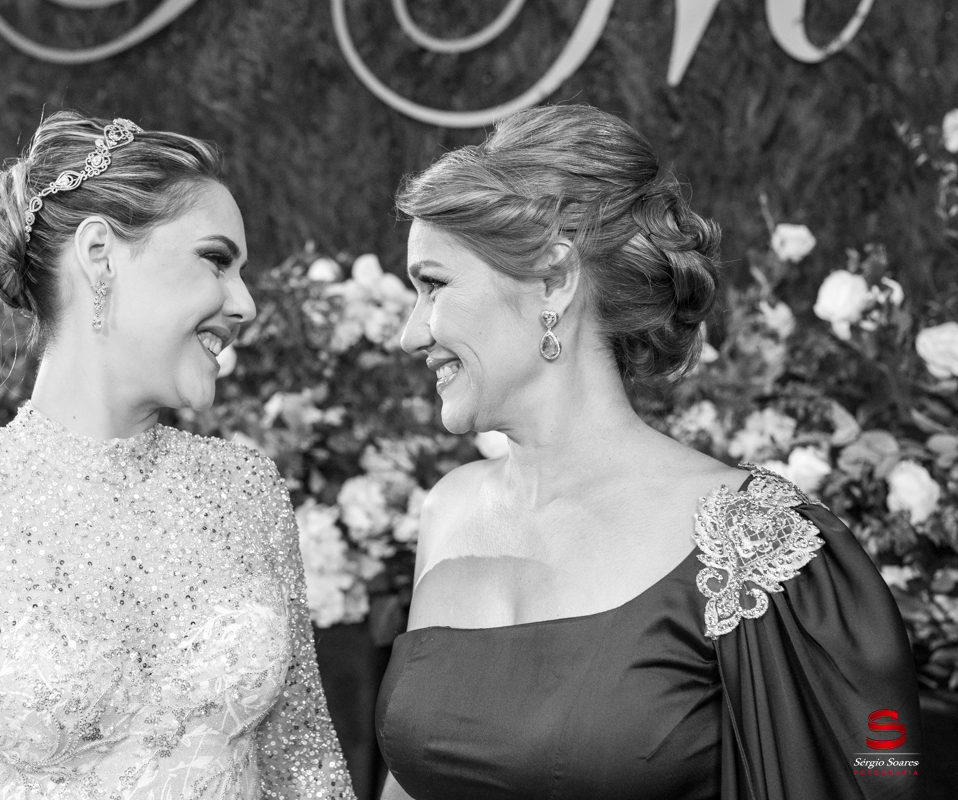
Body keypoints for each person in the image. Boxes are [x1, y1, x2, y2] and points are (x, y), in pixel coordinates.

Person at [375, 105, 922, 800]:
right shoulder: (449, 508)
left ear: (553, 279)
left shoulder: (758, 544)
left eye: (433, 284)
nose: (409, 333)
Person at [0, 110, 355, 800]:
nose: (245, 303)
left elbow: (308, 770)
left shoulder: (245, 490)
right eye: (216, 260)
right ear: (101, 254)